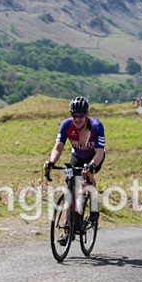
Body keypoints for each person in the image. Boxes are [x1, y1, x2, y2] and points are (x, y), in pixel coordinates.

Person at [44, 96, 106, 237]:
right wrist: (51, 162)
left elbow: (99, 153)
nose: (77, 119)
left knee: (86, 178)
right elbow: (58, 148)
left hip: (94, 157)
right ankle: (68, 228)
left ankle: (94, 208)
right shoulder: (66, 125)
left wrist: (91, 166)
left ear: (87, 114)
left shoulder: (96, 126)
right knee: (71, 188)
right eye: (74, 115)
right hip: (77, 156)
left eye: (81, 115)